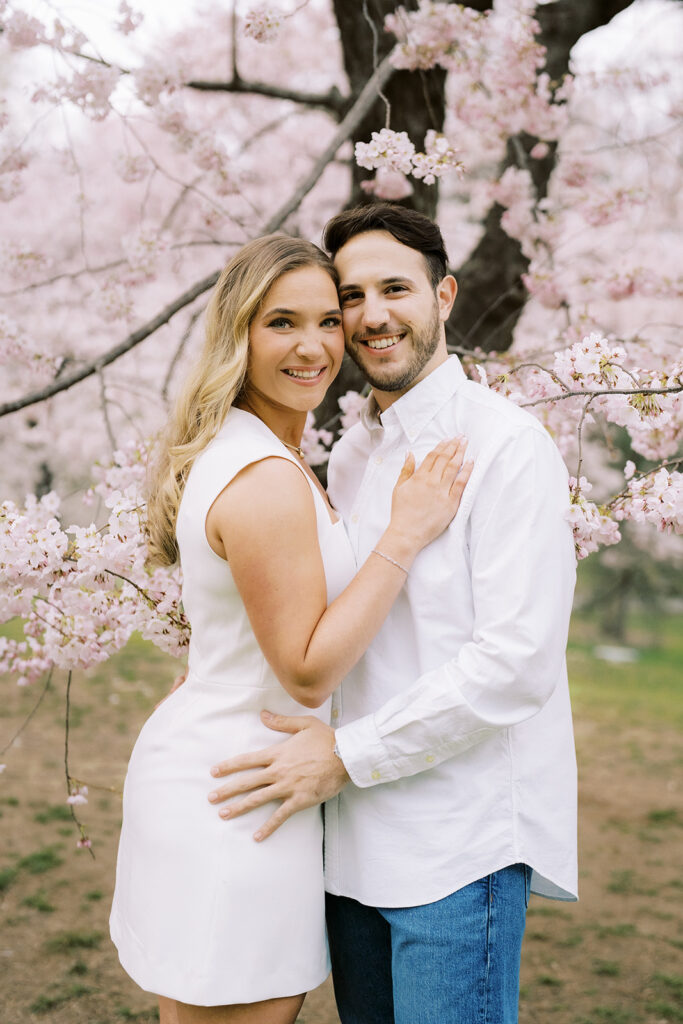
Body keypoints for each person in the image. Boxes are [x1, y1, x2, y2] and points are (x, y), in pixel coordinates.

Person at [207, 204, 578, 1024]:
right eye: (352, 295)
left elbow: (514, 663)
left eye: (395, 289)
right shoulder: (348, 455)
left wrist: (344, 754)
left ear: (443, 296)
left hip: (458, 843)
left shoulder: (506, 446)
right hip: (348, 848)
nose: (372, 315)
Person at [109, 233, 472, 1024]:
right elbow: (307, 670)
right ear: (238, 332)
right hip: (241, 798)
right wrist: (401, 538)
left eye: (326, 320)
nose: (312, 346)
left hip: (237, 775)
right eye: (280, 323)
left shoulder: (259, 451)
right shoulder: (268, 478)